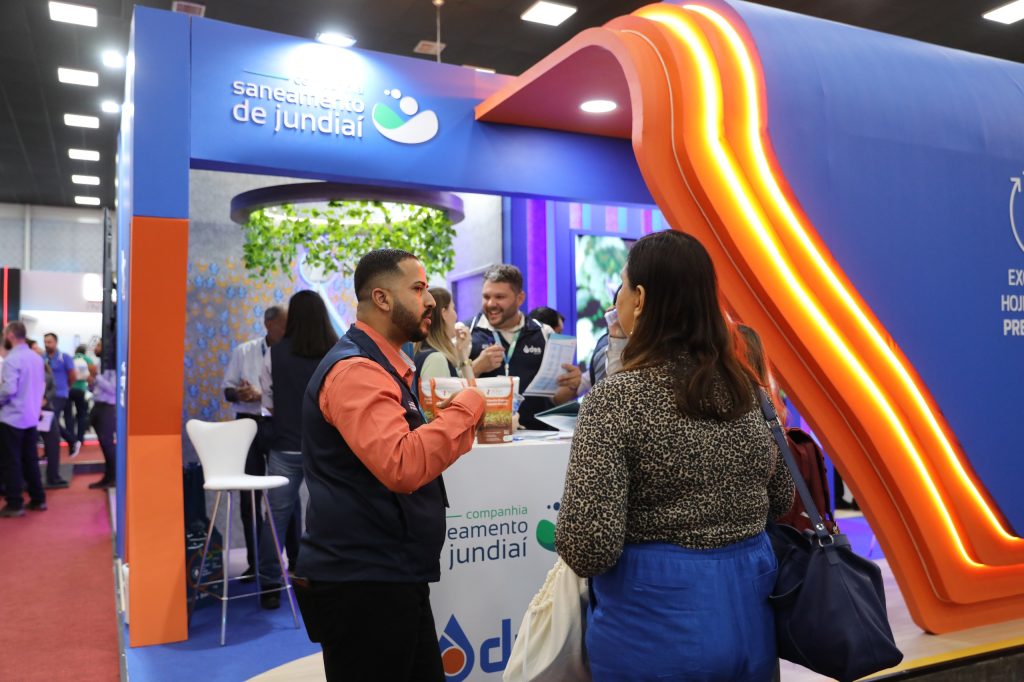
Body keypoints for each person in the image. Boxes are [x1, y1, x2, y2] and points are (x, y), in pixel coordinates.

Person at [555, 230, 795, 681]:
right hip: (752, 617)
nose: (618, 299)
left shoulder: (616, 399)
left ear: (641, 299)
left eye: (622, 286)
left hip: (653, 623)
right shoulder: (749, 392)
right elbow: (782, 497)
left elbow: (590, 546)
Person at [293, 249, 486, 682]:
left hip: (388, 574)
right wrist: (468, 407)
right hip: (364, 583)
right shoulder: (357, 371)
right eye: (418, 289)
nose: (430, 300)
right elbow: (402, 463)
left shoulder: (383, 367)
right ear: (381, 298)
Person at [256, 290, 338, 609]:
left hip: (286, 447)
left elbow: (267, 403)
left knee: (275, 519)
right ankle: (321, 577)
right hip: (327, 451)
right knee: (328, 516)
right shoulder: (336, 353)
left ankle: (269, 587)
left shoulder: (274, 354)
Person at [468, 264, 581, 430]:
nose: (491, 303)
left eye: (500, 297)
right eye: (486, 297)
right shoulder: (467, 333)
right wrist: (476, 368)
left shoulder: (544, 332)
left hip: (537, 437)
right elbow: (450, 392)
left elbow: (556, 399)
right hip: (487, 436)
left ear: (520, 298)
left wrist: (572, 385)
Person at [222, 304, 287, 582]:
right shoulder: (244, 351)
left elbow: (293, 392)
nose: (288, 330)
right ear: (268, 324)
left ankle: (292, 560)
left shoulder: (291, 354)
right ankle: (255, 562)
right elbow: (227, 390)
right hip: (246, 426)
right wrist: (241, 393)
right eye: (284, 324)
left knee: (284, 494)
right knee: (249, 498)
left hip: (278, 425)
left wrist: (263, 395)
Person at [0, 322, 47, 518]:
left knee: (11, 462)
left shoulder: (12, 359)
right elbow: (41, 386)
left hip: (12, 418)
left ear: (11, 335)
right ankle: (38, 499)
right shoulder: (36, 358)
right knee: (30, 460)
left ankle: (14, 503)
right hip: (31, 416)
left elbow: (9, 390)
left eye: (5, 333)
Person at [413, 286, 474, 390]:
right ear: (444, 313)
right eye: (453, 309)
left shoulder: (426, 353)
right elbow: (471, 395)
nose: (456, 315)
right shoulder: (436, 359)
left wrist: (462, 352)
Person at [27, 339, 66, 488]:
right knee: (28, 447)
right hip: (29, 412)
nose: (39, 349)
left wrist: (45, 399)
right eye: (35, 348)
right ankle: (28, 481)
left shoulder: (44, 365)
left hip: (47, 410)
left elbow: (53, 387)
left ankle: (53, 477)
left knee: (53, 443)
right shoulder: (24, 367)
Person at [42, 333, 78, 456]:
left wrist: (67, 387)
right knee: (49, 422)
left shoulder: (64, 357)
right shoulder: (43, 358)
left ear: (56, 343)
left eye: (49, 342)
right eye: (45, 342)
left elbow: (72, 375)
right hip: (47, 395)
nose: (47, 344)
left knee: (52, 420)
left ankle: (70, 441)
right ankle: (69, 441)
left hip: (60, 394)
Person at [88, 339, 117, 490]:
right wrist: (91, 382)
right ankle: (108, 476)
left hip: (108, 408)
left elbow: (113, 389)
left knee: (107, 444)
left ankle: (114, 477)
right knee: (104, 445)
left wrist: (96, 376)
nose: (95, 348)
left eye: (99, 345)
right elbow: (95, 390)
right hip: (98, 406)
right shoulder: (100, 365)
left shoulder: (113, 367)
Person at [68, 343, 96, 452]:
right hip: (81, 389)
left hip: (70, 389)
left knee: (68, 415)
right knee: (82, 414)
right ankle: (80, 438)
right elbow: (93, 372)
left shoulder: (71, 358)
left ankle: (71, 438)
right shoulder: (87, 359)